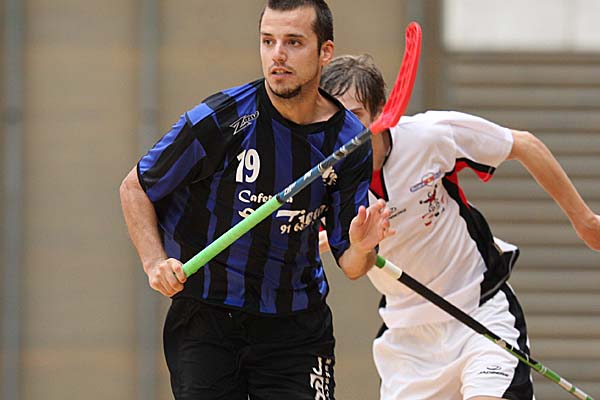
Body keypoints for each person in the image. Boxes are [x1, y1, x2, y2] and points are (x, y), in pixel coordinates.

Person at [119, 2, 394, 399]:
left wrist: (364, 247)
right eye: (268, 41)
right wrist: (154, 263)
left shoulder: (348, 142)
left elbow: (351, 265)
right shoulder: (221, 118)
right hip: (207, 316)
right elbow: (136, 187)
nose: (277, 55)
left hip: (296, 326)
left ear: (325, 52)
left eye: (293, 42)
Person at [319, 54, 600, 400]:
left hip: (480, 312)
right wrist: (358, 246)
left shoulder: (428, 136)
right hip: (409, 343)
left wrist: (585, 221)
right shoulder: (327, 181)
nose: (344, 129)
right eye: (334, 117)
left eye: (355, 115)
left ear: (380, 113)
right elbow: (352, 266)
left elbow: (523, 144)